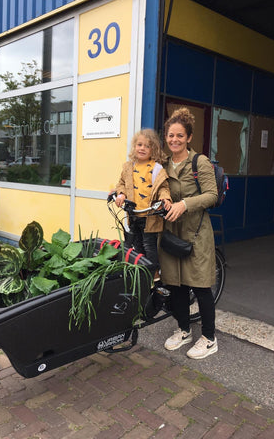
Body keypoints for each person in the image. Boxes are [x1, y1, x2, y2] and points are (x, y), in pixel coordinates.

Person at [160, 107, 218, 359]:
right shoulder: (162, 163)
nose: (174, 140)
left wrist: (184, 204)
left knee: (201, 286)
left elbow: (212, 195)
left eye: (180, 136)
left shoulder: (199, 162)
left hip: (196, 232)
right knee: (177, 285)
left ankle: (209, 338)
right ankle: (184, 330)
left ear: (189, 138)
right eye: (171, 135)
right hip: (171, 231)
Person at [114, 129, 171, 315]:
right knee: (133, 247)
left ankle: (153, 275)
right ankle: (138, 278)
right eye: (139, 145)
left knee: (149, 246)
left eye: (147, 146)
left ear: (153, 149)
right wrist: (120, 194)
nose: (142, 148)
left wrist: (165, 200)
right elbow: (121, 183)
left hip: (150, 217)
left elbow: (163, 188)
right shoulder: (128, 167)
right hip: (133, 215)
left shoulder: (156, 169)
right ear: (134, 147)